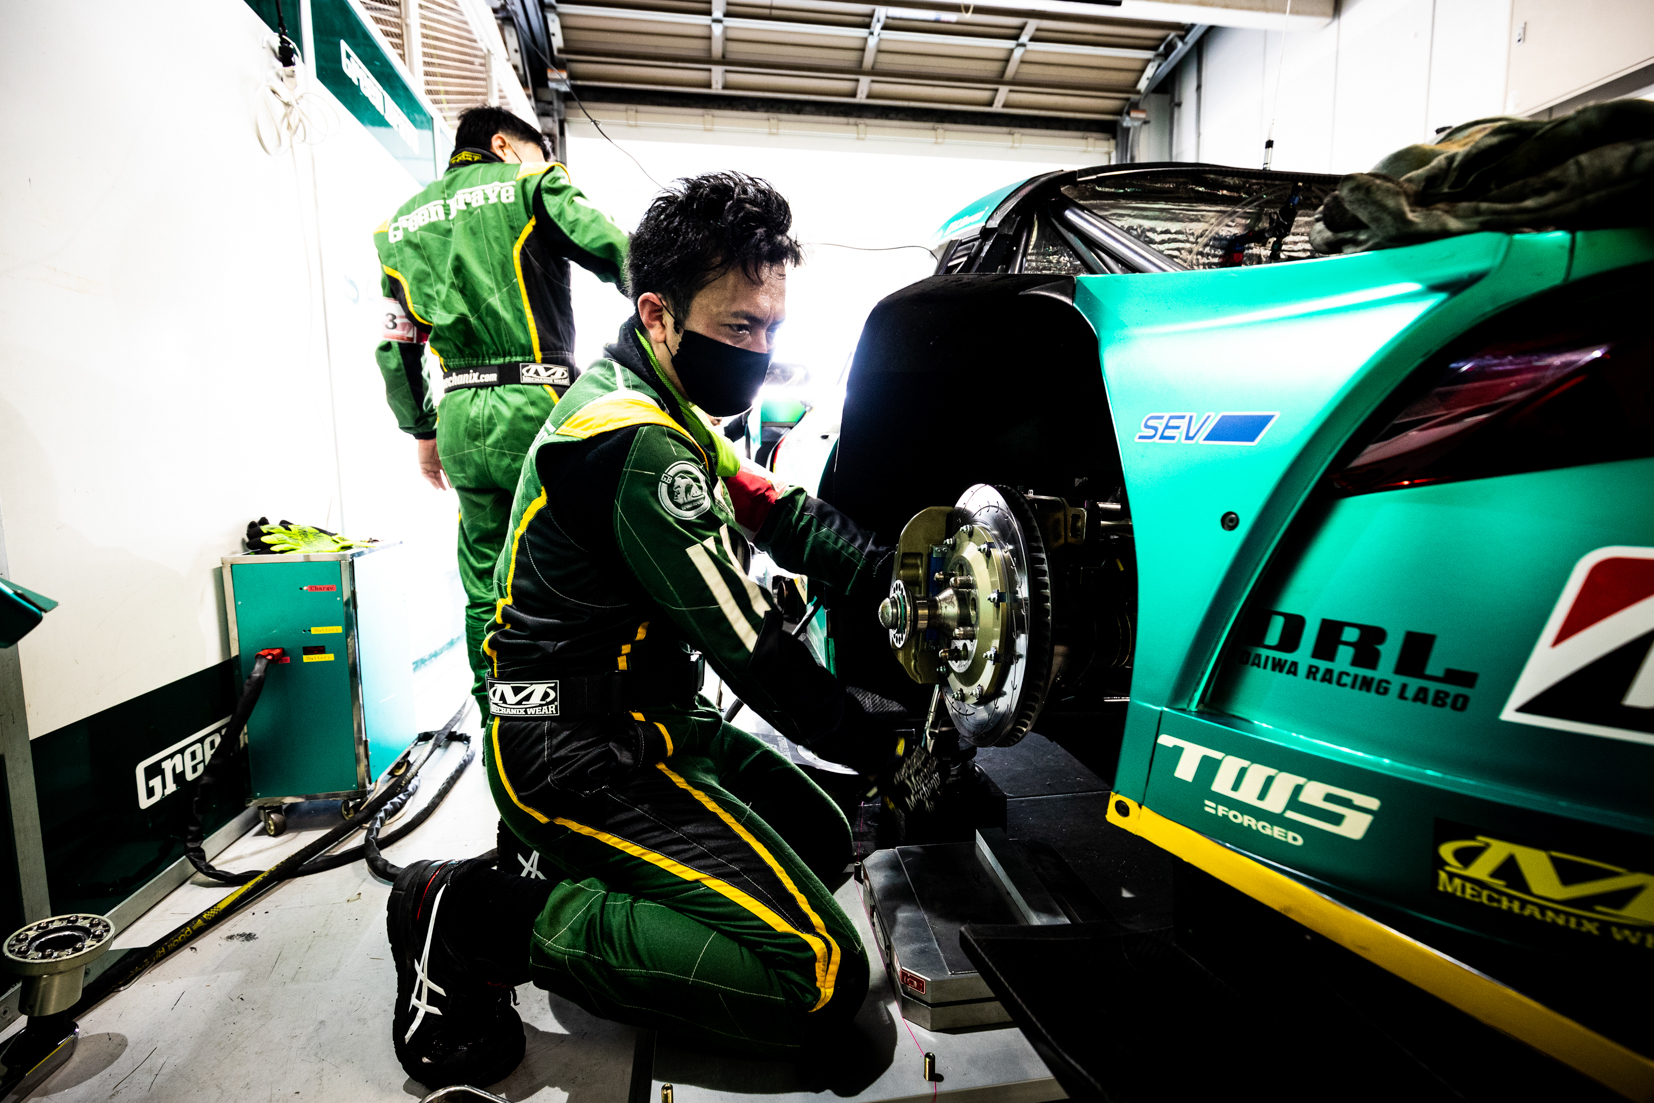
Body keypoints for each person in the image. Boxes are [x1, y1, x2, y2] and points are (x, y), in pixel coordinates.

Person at [382, 173, 904, 1088]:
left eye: (773, 329)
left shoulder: (659, 400)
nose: (759, 350)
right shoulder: (632, 438)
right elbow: (753, 649)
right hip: (569, 752)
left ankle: (593, 868)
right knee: (822, 974)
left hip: (649, 723)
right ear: (659, 313)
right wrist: (888, 749)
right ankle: (475, 913)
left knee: (822, 839)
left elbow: (779, 514)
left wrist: (907, 575)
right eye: (741, 328)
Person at [374, 105, 629, 723]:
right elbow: (622, 255)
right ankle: (579, 719)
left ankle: (504, 718)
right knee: (570, 560)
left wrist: (423, 430)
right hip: (536, 403)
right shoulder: (532, 185)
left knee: (486, 574)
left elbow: (396, 344)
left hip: (459, 413)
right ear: (504, 146)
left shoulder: (399, 228)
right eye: (538, 152)